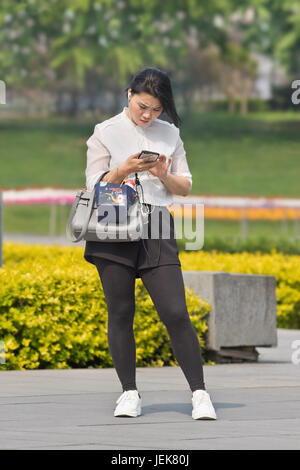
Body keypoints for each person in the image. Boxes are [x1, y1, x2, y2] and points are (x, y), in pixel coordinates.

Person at [83, 67, 217, 420]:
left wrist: (162, 174)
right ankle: (129, 393)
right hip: (113, 222)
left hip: (157, 222)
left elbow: (185, 187)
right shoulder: (105, 132)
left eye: (156, 110)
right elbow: (94, 184)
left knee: (175, 311)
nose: (148, 115)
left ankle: (200, 394)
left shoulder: (169, 133)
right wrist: (123, 170)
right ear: (129, 94)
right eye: (143, 106)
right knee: (121, 311)